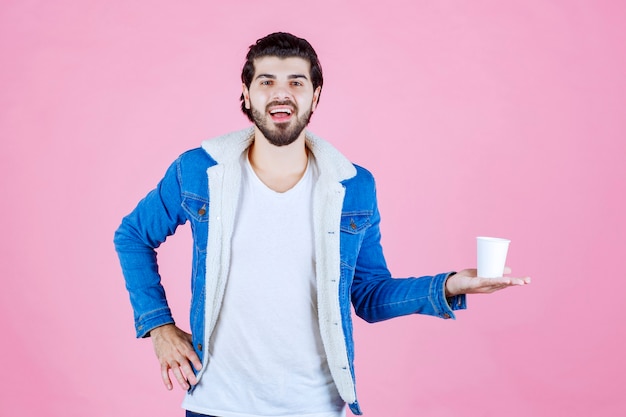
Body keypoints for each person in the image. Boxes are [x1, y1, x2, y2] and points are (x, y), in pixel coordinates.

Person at [114, 32, 530, 417]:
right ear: (246, 93)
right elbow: (132, 235)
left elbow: (368, 294)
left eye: (296, 82)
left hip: (315, 405)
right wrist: (158, 326)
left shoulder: (353, 187)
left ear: (316, 95)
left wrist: (449, 285)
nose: (281, 92)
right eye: (266, 81)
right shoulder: (199, 171)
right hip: (217, 403)